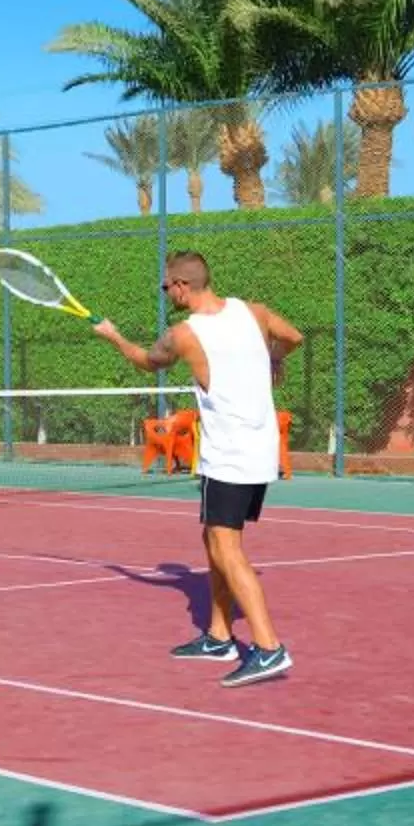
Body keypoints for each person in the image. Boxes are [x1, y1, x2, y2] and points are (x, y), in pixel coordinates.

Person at [93, 251, 301, 687]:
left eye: (165, 286)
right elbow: (293, 338)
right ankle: (220, 636)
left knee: (228, 549)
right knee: (214, 539)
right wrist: (274, 358)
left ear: (182, 287)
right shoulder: (255, 312)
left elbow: (146, 361)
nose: (165, 292)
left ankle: (269, 648)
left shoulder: (184, 335)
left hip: (228, 455)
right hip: (260, 450)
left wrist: (113, 337)